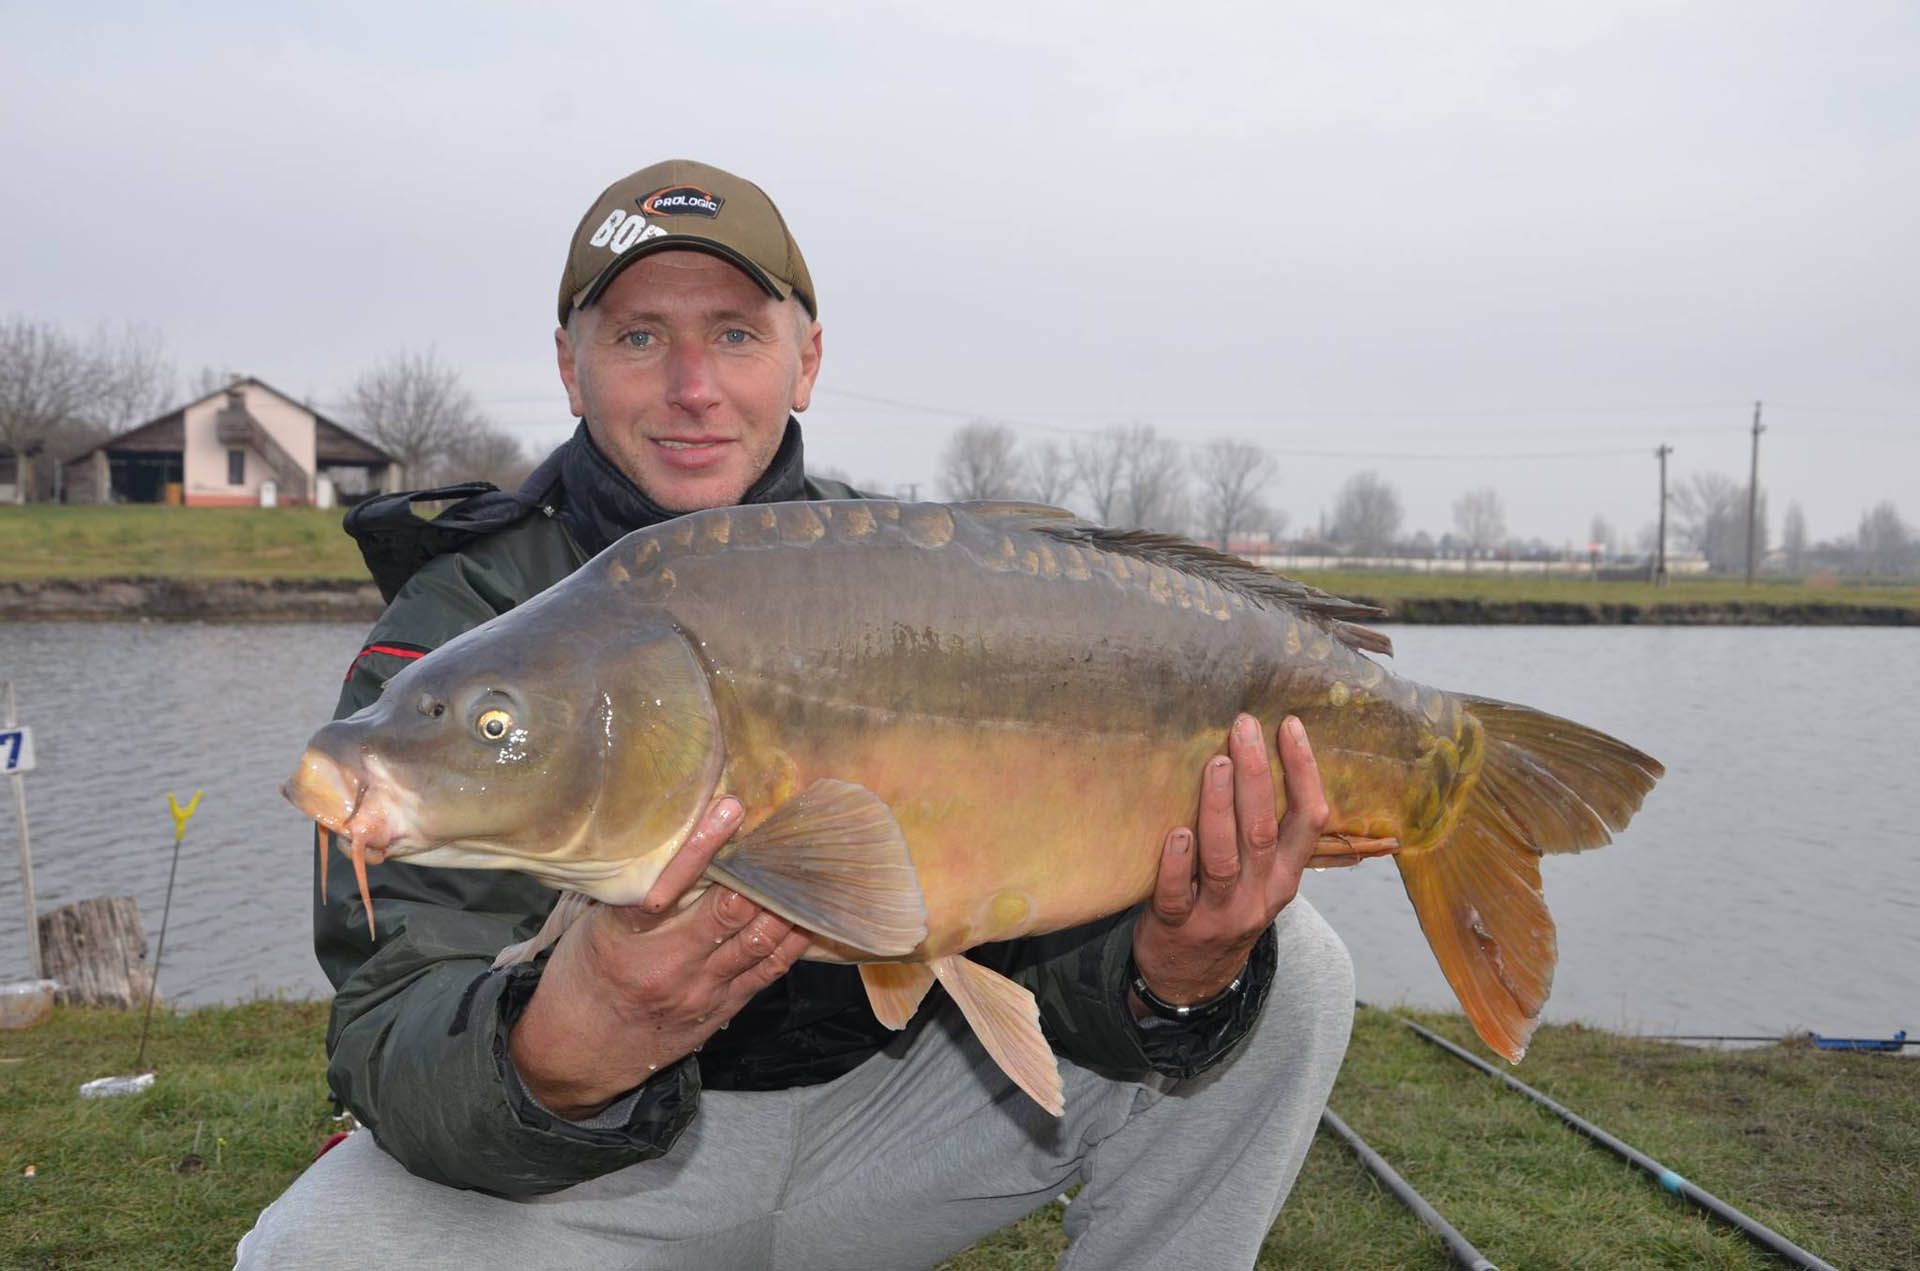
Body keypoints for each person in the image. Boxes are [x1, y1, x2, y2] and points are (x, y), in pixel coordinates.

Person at [238, 159, 1355, 1270]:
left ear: (804, 361)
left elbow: (1047, 939)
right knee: (309, 1251)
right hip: (597, 1171)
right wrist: (564, 1046)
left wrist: (1167, 971)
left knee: (1291, 969)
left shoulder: (912, 577)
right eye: (637, 338)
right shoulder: (463, 624)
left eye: (734, 334)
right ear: (569, 367)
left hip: (896, 1124)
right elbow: (388, 1027)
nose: (692, 386)